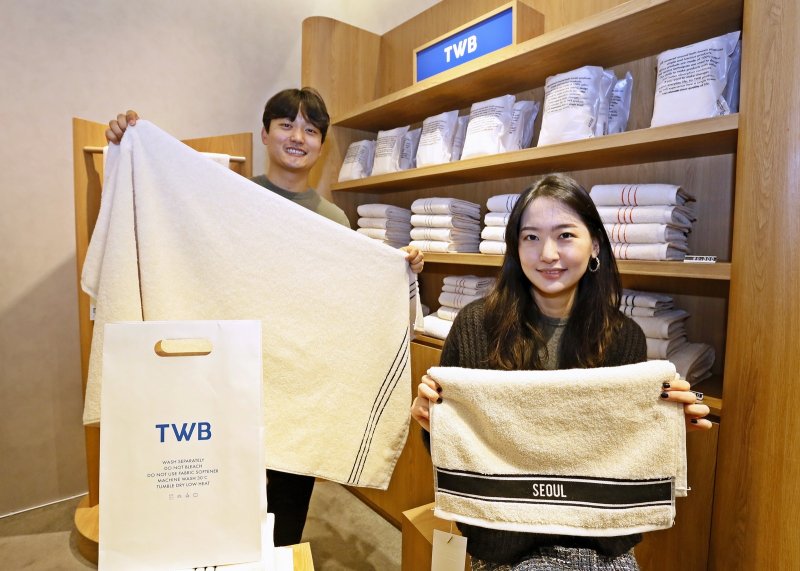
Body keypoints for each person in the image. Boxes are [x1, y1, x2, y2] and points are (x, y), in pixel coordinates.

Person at [106, 88, 424, 547]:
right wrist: (130, 146)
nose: (298, 137)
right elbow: (171, 218)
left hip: (299, 381)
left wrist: (399, 269)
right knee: (225, 492)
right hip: (231, 374)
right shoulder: (231, 196)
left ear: (322, 144)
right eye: (286, 125)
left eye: (310, 130)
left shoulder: (333, 219)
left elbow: (346, 299)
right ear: (265, 133)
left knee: (288, 506)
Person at [411, 174, 710, 571]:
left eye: (565, 235)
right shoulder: (475, 327)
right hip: (504, 537)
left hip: (598, 539)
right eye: (531, 237)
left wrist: (664, 426)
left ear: (595, 244)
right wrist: (431, 422)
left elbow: (620, 454)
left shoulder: (623, 337)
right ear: (515, 247)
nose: (547, 254)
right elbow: (455, 449)